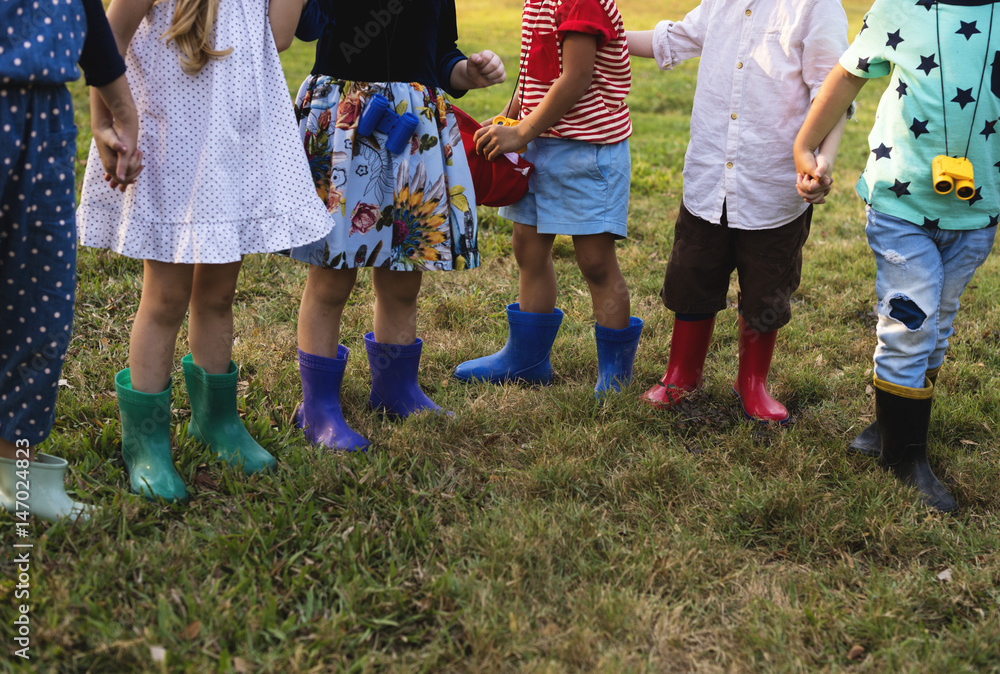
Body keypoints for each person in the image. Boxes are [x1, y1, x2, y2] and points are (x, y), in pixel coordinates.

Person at [75, 0, 333, 502]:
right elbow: (107, 40)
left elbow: (279, 37)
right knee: (166, 297)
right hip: (171, 151)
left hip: (230, 152)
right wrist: (103, 123)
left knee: (217, 295)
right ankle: (145, 442)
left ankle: (216, 422)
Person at [794, 0, 1000, 512]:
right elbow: (846, 76)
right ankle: (904, 460)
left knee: (938, 323)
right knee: (912, 322)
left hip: (976, 216)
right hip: (901, 209)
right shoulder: (900, 9)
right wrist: (805, 147)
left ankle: (889, 428)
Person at [286, 0, 506, 452]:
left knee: (405, 277)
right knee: (331, 278)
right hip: (347, 124)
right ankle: (317, 407)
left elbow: (440, 53)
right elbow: (304, 26)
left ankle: (394, 389)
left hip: (413, 129)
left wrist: (468, 70)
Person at [627, 1, 849, 424]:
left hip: (773, 185)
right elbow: (672, 38)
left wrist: (825, 161)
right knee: (692, 274)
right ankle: (682, 374)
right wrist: (606, 34)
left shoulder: (816, 7)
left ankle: (752, 383)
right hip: (709, 179)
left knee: (766, 289)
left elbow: (833, 89)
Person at [453, 0, 643, 396]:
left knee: (595, 260)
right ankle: (528, 360)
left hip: (588, 152)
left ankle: (615, 372)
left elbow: (575, 78)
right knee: (528, 248)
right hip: (540, 144)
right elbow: (534, 76)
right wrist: (508, 118)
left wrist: (521, 133)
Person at [1, 0, 141, 521]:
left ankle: (18, 475)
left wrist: (121, 110)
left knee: (40, 306)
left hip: (45, 115)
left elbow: (84, 10)